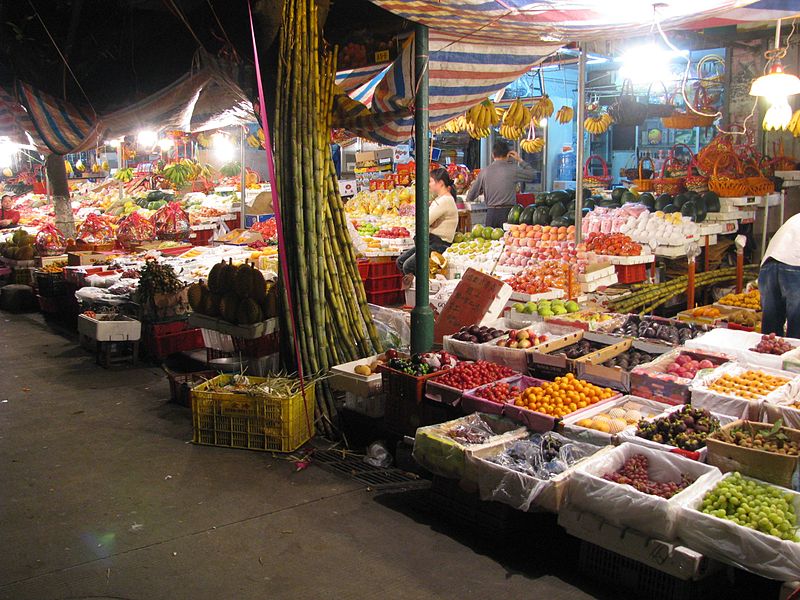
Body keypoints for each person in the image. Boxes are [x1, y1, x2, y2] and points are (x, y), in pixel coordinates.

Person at [396, 168, 458, 279]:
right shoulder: (440, 199)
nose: (429, 184)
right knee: (400, 261)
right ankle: (413, 290)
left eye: (431, 181)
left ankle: (420, 292)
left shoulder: (445, 201)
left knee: (408, 266)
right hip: (430, 241)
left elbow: (425, 221)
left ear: (440, 183)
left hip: (439, 244)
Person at [464, 140, 536, 228]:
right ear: (508, 154)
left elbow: (470, 196)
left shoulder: (484, 172)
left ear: (492, 155)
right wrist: (519, 160)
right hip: (509, 214)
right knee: (507, 240)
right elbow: (532, 175)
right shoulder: (513, 169)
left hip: (491, 214)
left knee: (490, 240)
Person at [759, 213, 800, 337]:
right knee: (797, 331)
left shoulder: (795, 218)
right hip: (795, 266)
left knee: (771, 332)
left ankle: (767, 356)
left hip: (768, 266)